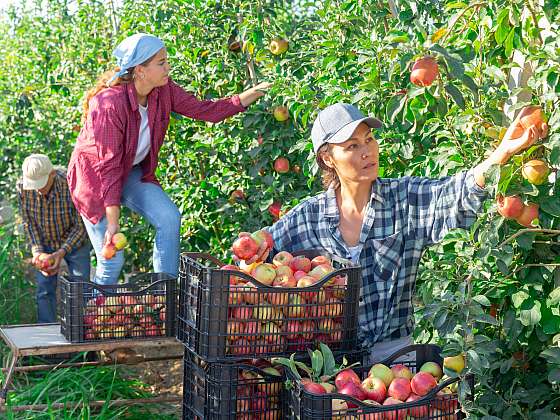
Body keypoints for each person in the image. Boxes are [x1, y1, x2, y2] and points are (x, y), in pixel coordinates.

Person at [252, 103, 547, 362]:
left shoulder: (403, 200)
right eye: (353, 146)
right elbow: (260, 251)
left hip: (393, 358)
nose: (367, 151)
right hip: (327, 361)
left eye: (369, 140)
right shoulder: (309, 217)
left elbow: (457, 192)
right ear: (328, 158)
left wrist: (504, 151)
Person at [68, 33, 270, 284]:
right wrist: (113, 224)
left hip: (130, 170)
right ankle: (95, 318)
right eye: (161, 63)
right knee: (112, 261)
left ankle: (164, 297)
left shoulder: (162, 91)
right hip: (94, 182)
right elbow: (107, 167)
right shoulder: (109, 104)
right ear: (140, 70)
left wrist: (255, 92)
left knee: (168, 217)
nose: (168, 67)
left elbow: (205, 110)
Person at [17, 154, 91, 323]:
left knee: (80, 287)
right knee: (44, 289)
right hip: (45, 243)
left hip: (74, 241)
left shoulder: (70, 184)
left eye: (40, 184)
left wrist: (61, 252)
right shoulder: (22, 188)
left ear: (52, 174)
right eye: (33, 184)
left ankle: (82, 332)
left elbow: (81, 226)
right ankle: (47, 337)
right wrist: (37, 252)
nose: (37, 189)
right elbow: (29, 222)